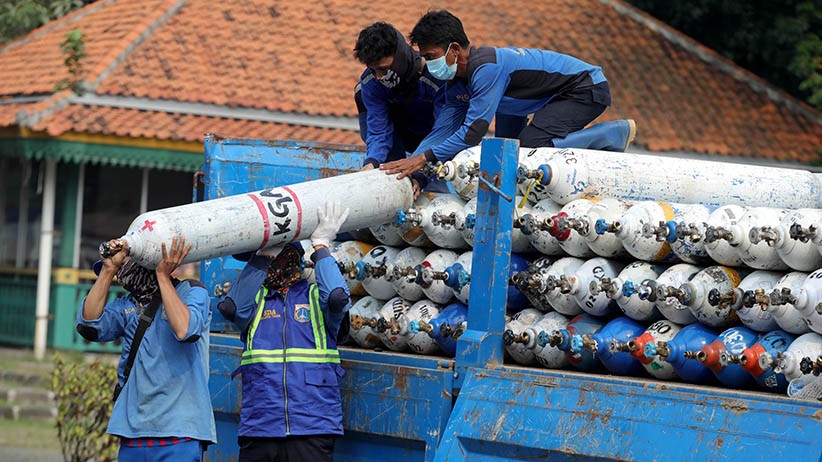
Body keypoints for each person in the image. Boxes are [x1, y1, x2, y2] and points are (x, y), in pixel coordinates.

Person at [381, 10, 637, 179]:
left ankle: (611, 133)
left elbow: (473, 133)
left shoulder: (486, 68)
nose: (427, 64)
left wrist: (423, 160)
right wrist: (414, 167)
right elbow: (442, 131)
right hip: (535, 100)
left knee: (527, 150)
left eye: (431, 57)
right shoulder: (456, 84)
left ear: (455, 50)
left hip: (585, 87)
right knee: (508, 159)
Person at [218, 202, 352, 462]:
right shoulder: (256, 302)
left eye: (281, 257)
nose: (276, 265)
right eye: (272, 260)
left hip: (312, 427)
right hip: (261, 427)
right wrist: (264, 254)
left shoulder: (316, 299)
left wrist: (321, 248)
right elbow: (230, 307)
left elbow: (337, 296)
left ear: (294, 258)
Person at [76, 236, 216, 462]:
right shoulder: (128, 305)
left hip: (180, 434)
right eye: (120, 270)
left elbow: (185, 330)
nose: (123, 275)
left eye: (125, 266)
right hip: (133, 433)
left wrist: (162, 276)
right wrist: (108, 270)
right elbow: (88, 325)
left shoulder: (192, 291)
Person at [353, 22, 447, 194]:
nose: (380, 77)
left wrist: (420, 174)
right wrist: (372, 163)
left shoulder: (436, 78)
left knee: (435, 190)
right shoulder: (370, 83)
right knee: (390, 177)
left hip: (434, 138)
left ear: (400, 56)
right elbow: (378, 130)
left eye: (384, 69)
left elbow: (444, 131)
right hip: (396, 137)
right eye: (373, 70)